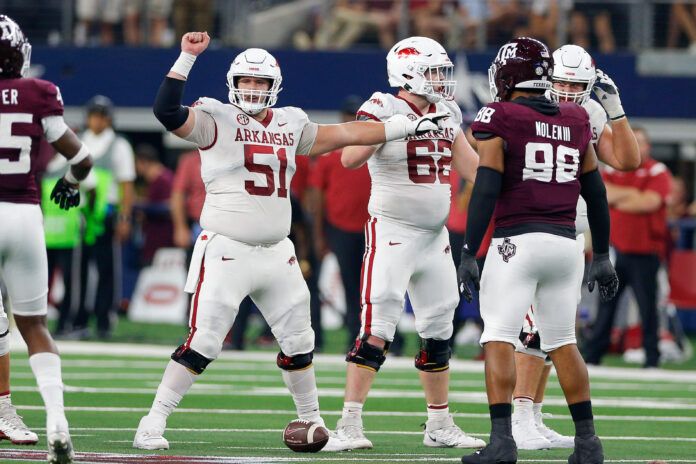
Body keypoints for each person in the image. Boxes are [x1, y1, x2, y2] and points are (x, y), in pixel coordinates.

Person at [132, 31, 448, 451]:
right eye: (246, 81)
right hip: (227, 246)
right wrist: (186, 58)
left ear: (274, 86)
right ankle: (153, 420)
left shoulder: (290, 122)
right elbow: (166, 111)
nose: (253, 89)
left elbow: (345, 135)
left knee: (300, 340)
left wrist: (401, 127)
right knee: (205, 339)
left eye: (261, 83)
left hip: (278, 250)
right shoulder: (215, 117)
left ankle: (313, 422)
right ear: (233, 82)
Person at [457, 37, 619, 464]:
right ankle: (588, 443)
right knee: (563, 342)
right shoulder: (576, 116)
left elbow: (487, 184)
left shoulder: (500, 114)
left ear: (509, 75)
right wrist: (601, 254)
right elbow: (596, 193)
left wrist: (470, 250)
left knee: (498, 339)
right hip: (567, 244)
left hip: (518, 242)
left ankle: (501, 442)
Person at [334, 36, 483, 451]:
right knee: (378, 324)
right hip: (393, 230)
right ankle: (349, 422)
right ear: (408, 72)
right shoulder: (384, 106)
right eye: (434, 71)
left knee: (439, 328)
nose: (441, 80)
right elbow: (349, 158)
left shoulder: (448, 111)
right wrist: (397, 129)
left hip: (434, 236)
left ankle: (439, 423)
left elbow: (472, 167)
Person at [510, 43, 640, 450]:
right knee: (533, 328)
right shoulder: (528, 106)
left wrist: (615, 109)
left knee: (557, 330)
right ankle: (519, 415)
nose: (566, 91)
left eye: (576, 84)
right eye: (561, 81)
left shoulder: (593, 113)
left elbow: (627, 161)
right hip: (536, 221)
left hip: (572, 230)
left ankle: (532, 413)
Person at [0, 15, 95, 464]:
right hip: (24, 214)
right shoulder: (41, 93)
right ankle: (56, 419)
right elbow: (82, 157)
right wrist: (73, 183)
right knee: (33, 325)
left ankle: (4, 407)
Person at [584, 127, 673, 369]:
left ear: (648, 146)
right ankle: (593, 355)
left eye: (641, 142)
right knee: (605, 305)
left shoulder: (657, 170)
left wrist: (621, 198)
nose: (638, 146)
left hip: (646, 251)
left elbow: (649, 202)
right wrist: (633, 194)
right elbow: (602, 195)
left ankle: (652, 358)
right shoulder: (613, 169)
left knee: (647, 307)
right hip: (616, 250)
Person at [306, 95, 371, 349]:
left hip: (372, 227)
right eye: (348, 115)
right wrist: (320, 235)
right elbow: (317, 198)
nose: (352, 120)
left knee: (376, 287)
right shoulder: (329, 156)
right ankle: (356, 335)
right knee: (351, 284)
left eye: (356, 116)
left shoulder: (373, 148)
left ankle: (387, 337)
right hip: (341, 228)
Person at [72, 94, 135, 339]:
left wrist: (124, 217)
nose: (97, 121)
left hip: (107, 213)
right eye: (93, 115)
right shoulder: (78, 141)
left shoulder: (119, 145)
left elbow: (126, 184)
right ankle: (78, 318)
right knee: (78, 270)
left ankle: (103, 319)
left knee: (107, 269)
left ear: (108, 119)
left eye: (101, 116)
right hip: (81, 214)